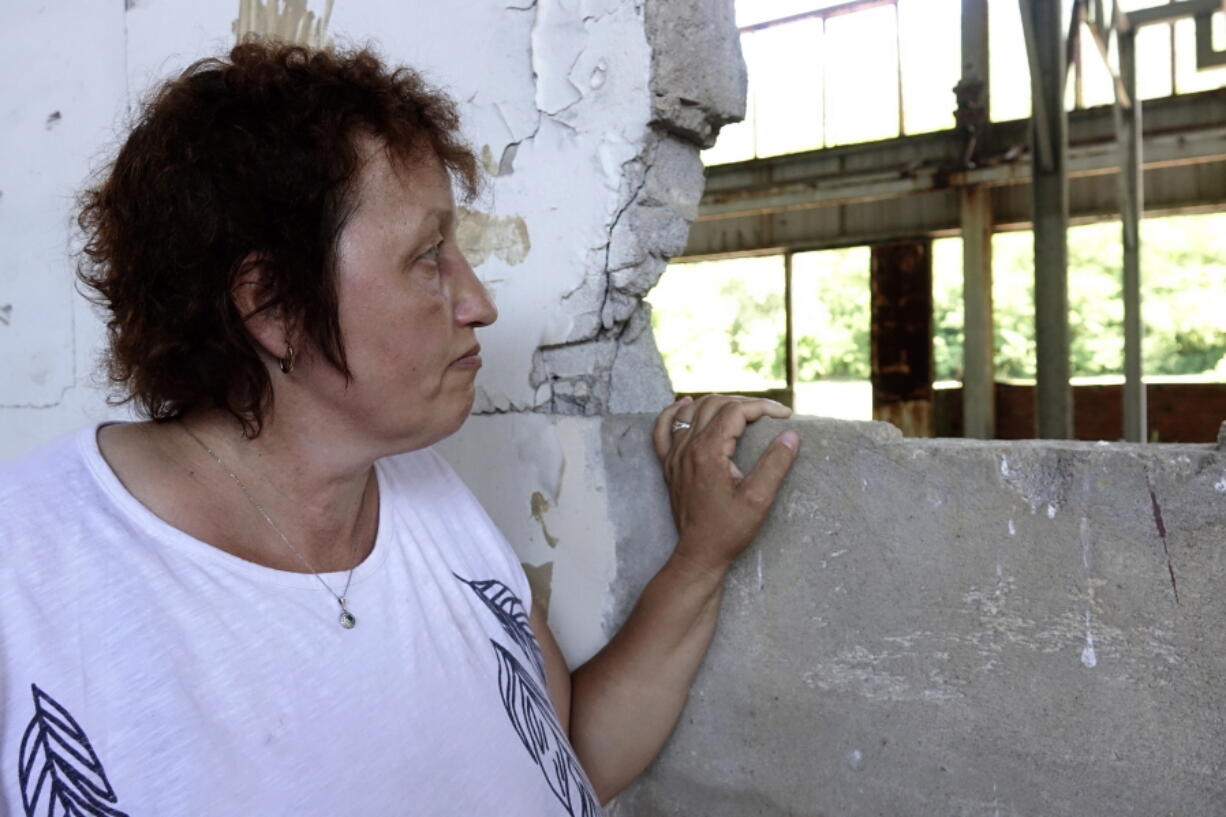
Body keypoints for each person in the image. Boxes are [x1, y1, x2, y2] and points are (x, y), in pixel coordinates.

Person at [0, 42, 799, 815]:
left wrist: (701, 556)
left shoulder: (425, 496)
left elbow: (567, 756)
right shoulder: (27, 579)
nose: (478, 301)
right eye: (429, 256)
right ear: (273, 305)